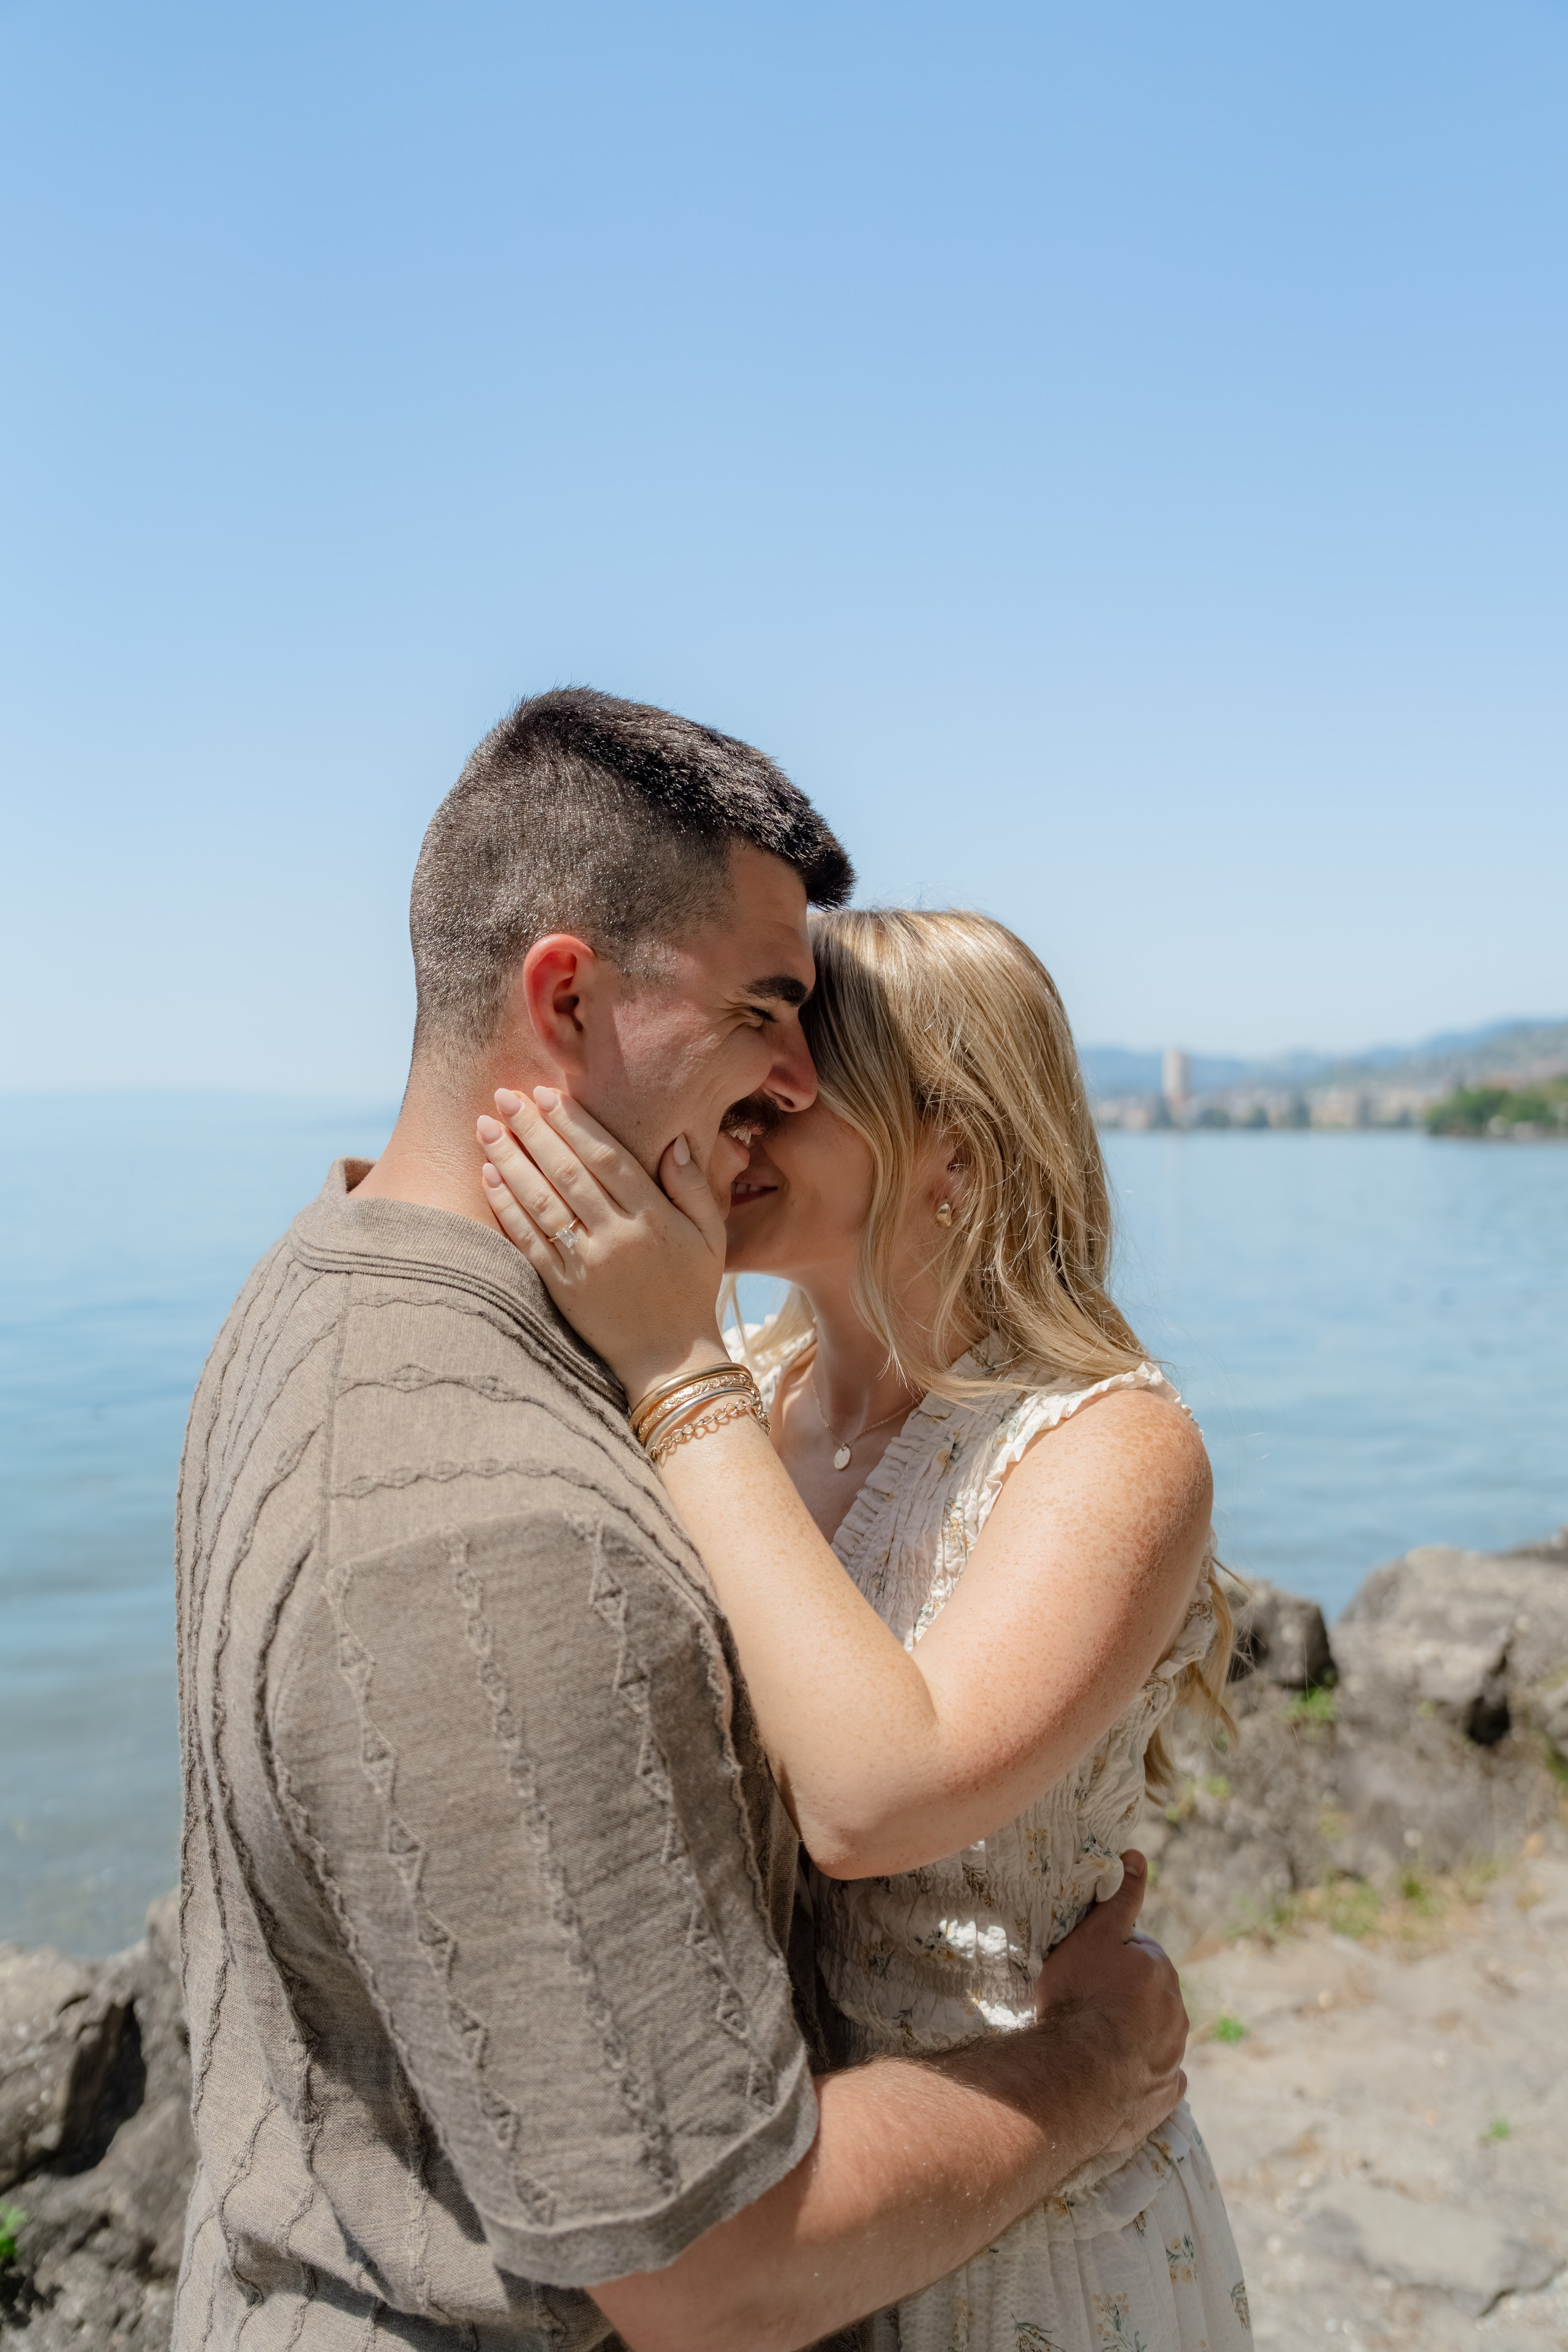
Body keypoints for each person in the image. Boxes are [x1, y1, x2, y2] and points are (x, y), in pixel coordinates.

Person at [174, 690, 1189, 2352]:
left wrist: (670, 1362)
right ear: (565, 995)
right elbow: (716, 2267)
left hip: (992, 2215)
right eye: (768, 1018)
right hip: (921, 2178)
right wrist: (1085, 2063)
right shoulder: (521, 1505)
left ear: (956, 1153)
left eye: (820, 1063)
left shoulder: (315, 1289)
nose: (779, 1091)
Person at [473, 902, 1251, 2351]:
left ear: (949, 1147)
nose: (739, 1129)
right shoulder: (750, 1405)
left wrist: (668, 1356)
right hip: (786, 2207)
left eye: (789, 1098)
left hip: (1025, 2221)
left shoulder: (1107, 1448)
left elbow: (869, 1799)